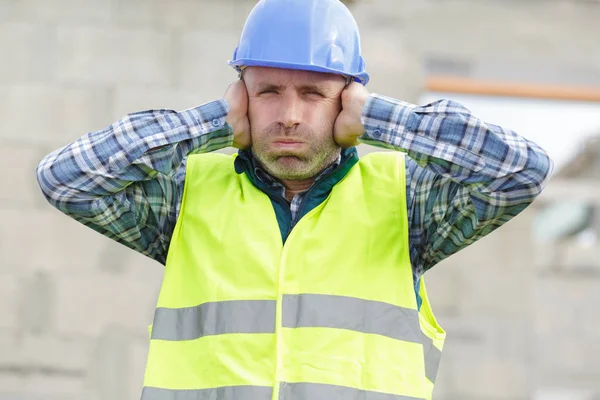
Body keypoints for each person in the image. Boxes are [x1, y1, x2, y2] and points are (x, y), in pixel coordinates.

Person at [36, 0, 553, 399]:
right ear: (240, 96)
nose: (289, 114)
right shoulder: (186, 193)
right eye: (268, 92)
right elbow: (66, 178)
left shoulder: (408, 198)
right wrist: (212, 123)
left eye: (313, 94)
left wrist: (378, 120)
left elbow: (521, 170)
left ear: (347, 99)